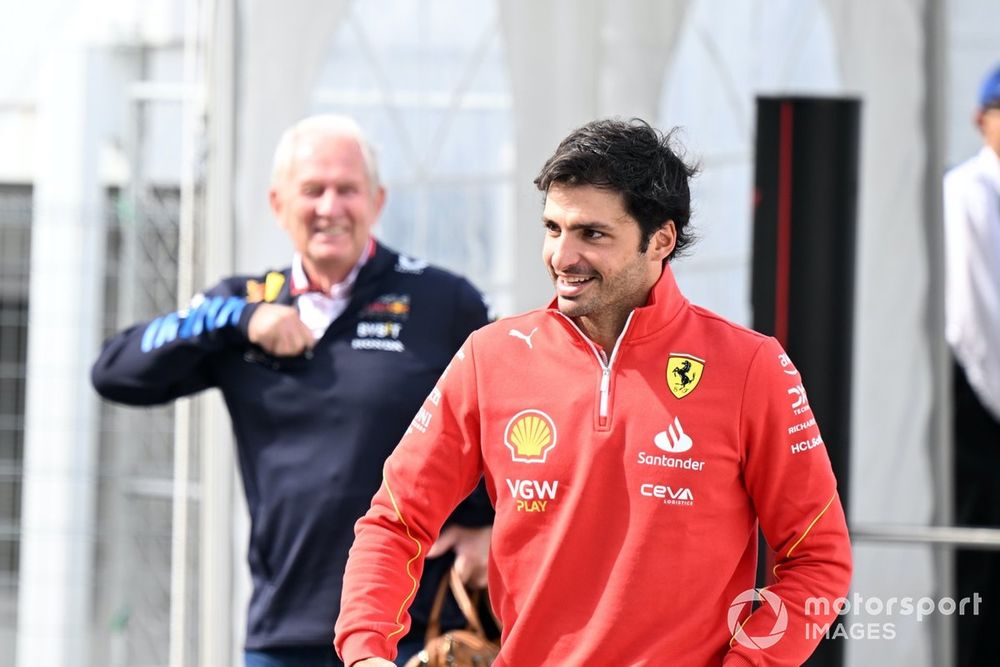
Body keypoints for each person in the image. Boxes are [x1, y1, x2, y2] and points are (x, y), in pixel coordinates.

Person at [335, 118, 852, 666]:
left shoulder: (751, 366)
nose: (562, 256)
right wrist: (367, 650)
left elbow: (818, 558)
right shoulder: (491, 357)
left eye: (592, 234)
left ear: (661, 240)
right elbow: (395, 519)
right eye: (553, 228)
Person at [91, 114, 494, 667]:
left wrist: (486, 524)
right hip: (286, 632)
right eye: (313, 190)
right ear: (278, 204)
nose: (330, 207)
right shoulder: (244, 306)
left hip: (413, 629)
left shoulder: (444, 301)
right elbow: (116, 370)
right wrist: (240, 317)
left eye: (347, 189)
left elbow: (507, 419)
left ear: (377, 201)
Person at [943, 63, 1000, 667]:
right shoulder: (970, 192)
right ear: (981, 121)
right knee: (982, 569)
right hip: (983, 409)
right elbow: (976, 323)